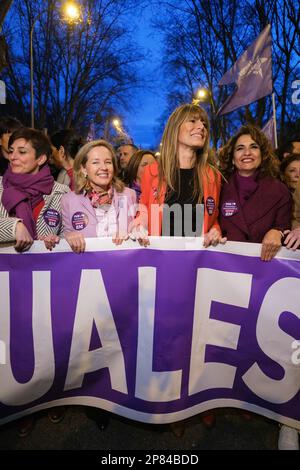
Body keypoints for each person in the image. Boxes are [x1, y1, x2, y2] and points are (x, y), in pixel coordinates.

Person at [133, 103, 226, 248]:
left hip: (197, 260)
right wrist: (139, 226)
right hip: (161, 258)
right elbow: (144, 209)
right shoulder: (152, 171)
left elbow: (213, 217)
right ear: (175, 129)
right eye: (193, 121)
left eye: (204, 124)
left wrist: (215, 230)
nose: (201, 127)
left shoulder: (212, 175)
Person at [218, 125, 292, 261]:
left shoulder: (280, 191)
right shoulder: (218, 187)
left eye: (254, 147)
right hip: (224, 267)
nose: (247, 152)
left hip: (261, 268)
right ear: (233, 158)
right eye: (240, 148)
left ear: (262, 155)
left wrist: (278, 232)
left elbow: (285, 227)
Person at [0, 127, 69, 252]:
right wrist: (14, 227)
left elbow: (68, 234)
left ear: (40, 159)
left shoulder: (61, 192)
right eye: (11, 151)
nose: (13, 157)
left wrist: (56, 240)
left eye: (22, 152)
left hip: (42, 269)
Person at [61, 139, 137, 253]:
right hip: (89, 267)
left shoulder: (129, 195)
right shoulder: (69, 200)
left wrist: (136, 230)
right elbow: (63, 237)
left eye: (108, 162)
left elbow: (137, 230)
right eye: (96, 162)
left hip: (123, 265)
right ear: (83, 168)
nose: (104, 167)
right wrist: (68, 236)